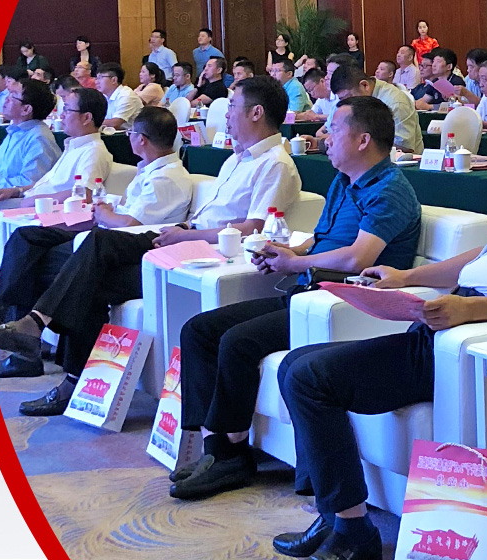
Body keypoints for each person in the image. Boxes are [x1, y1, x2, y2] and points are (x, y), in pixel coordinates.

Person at [270, 98, 487, 560]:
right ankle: (335, 513)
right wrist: (406, 278)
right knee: (297, 362)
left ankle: (352, 533)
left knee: (309, 377)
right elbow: (484, 257)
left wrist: (468, 310)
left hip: (476, 338)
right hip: (450, 323)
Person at [166, 94, 422, 502]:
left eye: (333, 129)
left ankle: (230, 456)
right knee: (200, 330)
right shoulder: (343, 181)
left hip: (346, 303)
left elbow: (358, 258)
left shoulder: (389, 189)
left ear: (363, 140)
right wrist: (285, 253)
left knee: (237, 342)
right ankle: (212, 445)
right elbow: (321, 242)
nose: (324, 136)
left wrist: (294, 263)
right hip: (308, 291)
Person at [0, 84, 299, 395]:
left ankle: (35, 330)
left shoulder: (275, 163)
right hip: (184, 237)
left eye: (232, 106)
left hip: (206, 248)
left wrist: (185, 233)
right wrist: (182, 232)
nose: (226, 114)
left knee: (98, 245)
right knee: (88, 274)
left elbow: (255, 228)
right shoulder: (236, 160)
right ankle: (70, 378)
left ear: (256, 112)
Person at [0, 109, 195, 383]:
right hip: (107, 239)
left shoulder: (167, 177)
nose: (128, 138)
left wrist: (106, 214)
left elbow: (131, 224)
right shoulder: (150, 169)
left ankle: (26, 341)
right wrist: (106, 211)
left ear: (141, 139)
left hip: (126, 248)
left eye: (131, 133)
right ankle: (2, 314)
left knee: (45, 266)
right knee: (28, 237)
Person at [0, 87, 113, 305]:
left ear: (86, 118)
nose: (61, 116)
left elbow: (84, 193)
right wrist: (18, 190)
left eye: (67, 110)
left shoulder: (93, 151)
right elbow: (45, 183)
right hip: (27, 208)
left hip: (44, 217)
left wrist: (34, 200)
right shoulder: (73, 145)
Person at [0, 78, 63, 196]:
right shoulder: (15, 131)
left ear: (26, 109)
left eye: (13, 96)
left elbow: (29, 183)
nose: (6, 99)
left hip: (16, 201)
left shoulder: (39, 138)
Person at [327, 64, 424, 152]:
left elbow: (404, 147)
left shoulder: (395, 101)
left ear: (364, 85)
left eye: (349, 97)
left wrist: (355, 144)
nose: (348, 103)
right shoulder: (353, 101)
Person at [96, 63, 142, 129]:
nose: (96, 82)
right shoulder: (104, 96)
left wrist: (92, 122)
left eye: (100, 78)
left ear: (114, 80)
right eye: (96, 78)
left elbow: (115, 123)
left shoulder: (126, 95)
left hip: (130, 134)